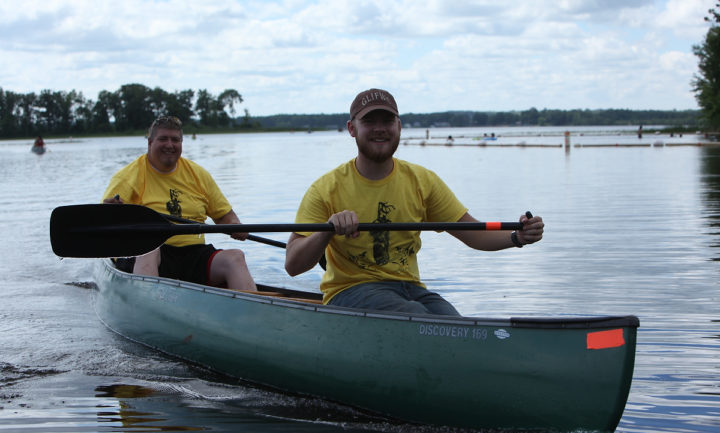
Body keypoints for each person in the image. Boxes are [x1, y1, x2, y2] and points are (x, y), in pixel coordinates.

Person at [285, 88, 544, 315]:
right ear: (352, 129)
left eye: (387, 121)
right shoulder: (325, 189)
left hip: (409, 289)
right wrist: (326, 231)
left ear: (399, 127)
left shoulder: (422, 181)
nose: (379, 129)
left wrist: (517, 237)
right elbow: (293, 265)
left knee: (453, 323)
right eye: (369, 121)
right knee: (416, 314)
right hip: (349, 292)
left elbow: (474, 234)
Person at [102, 115, 256, 291]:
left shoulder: (199, 175)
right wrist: (111, 214)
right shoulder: (128, 177)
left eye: (175, 140)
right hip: (147, 252)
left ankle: (252, 314)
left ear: (181, 143)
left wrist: (235, 226)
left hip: (192, 253)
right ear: (150, 143)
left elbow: (226, 217)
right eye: (163, 139)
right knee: (149, 249)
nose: (169, 145)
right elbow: (105, 222)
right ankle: (150, 305)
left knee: (235, 257)